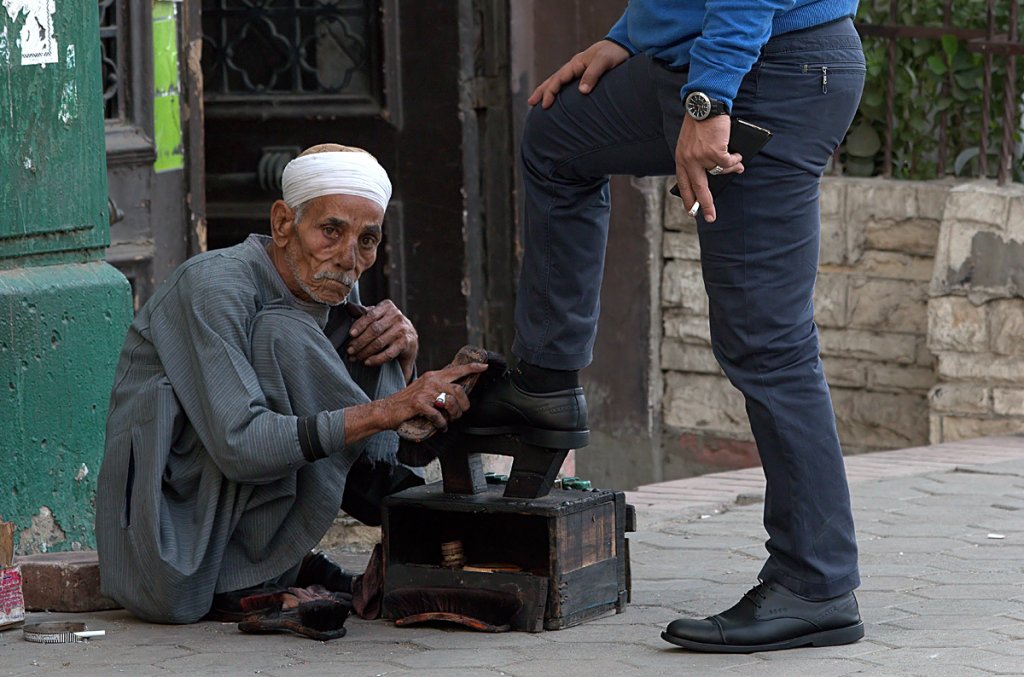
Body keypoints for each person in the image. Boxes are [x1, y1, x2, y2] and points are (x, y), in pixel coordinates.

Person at [469, 1, 868, 653]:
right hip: (692, 59)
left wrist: (709, 100)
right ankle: (545, 383)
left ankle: (816, 581)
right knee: (557, 136)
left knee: (766, 339)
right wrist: (629, 36)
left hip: (769, 69)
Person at [95, 144, 486, 624]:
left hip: (241, 506)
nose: (349, 259)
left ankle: (385, 524)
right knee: (284, 334)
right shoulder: (214, 286)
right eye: (330, 231)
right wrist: (392, 408)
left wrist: (404, 359)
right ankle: (398, 520)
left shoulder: (331, 278)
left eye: (367, 240)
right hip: (175, 551)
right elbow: (241, 444)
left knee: (371, 336)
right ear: (283, 224)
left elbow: (362, 420)